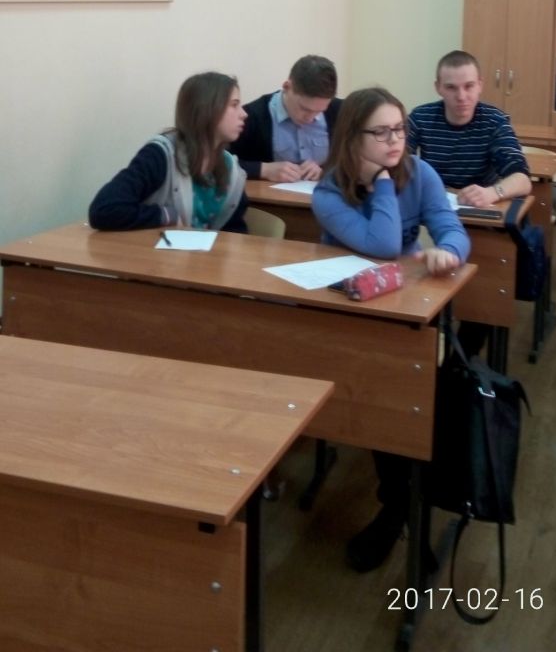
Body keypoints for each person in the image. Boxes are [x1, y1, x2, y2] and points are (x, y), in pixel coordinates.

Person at [312, 86, 470, 572]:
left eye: (399, 129)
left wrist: (449, 250)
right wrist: (382, 184)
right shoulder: (328, 192)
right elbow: (381, 244)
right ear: (351, 138)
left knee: (412, 392)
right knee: (383, 394)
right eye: (380, 133)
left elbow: (453, 229)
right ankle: (401, 504)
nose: (395, 141)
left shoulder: (420, 173)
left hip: (404, 313)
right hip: (348, 315)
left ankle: (401, 503)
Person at [408, 50, 531, 356]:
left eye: (468, 86)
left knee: (484, 289)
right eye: (451, 87)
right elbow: (398, 166)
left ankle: (461, 359)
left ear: (480, 85)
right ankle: (426, 344)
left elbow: (523, 179)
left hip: (479, 219)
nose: (461, 96)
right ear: (438, 87)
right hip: (435, 214)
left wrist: (492, 192)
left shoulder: (494, 120)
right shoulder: (421, 117)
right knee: (418, 276)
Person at [89, 71, 248, 232]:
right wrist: (166, 216)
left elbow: (235, 232)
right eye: (234, 105)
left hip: (204, 249)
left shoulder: (231, 170)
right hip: (157, 248)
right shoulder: (160, 155)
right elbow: (104, 209)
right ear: (207, 110)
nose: (244, 114)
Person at [230, 54, 341, 182]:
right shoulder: (252, 116)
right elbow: (222, 163)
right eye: (305, 109)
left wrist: (326, 171)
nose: (310, 119)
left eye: (320, 111)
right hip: (268, 194)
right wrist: (263, 169)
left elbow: (354, 163)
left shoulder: (340, 112)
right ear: (287, 87)